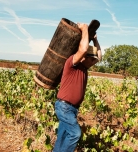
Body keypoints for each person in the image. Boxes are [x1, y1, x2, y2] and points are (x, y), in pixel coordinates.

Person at [53, 22, 102, 152]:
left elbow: (99, 56)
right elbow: (84, 49)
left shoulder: (84, 68)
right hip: (64, 107)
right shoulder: (72, 63)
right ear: (82, 58)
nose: (93, 61)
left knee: (62, 136)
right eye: (90, 59)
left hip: (72, 109)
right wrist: (85, 29)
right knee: (75, 134)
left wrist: (96, 41)